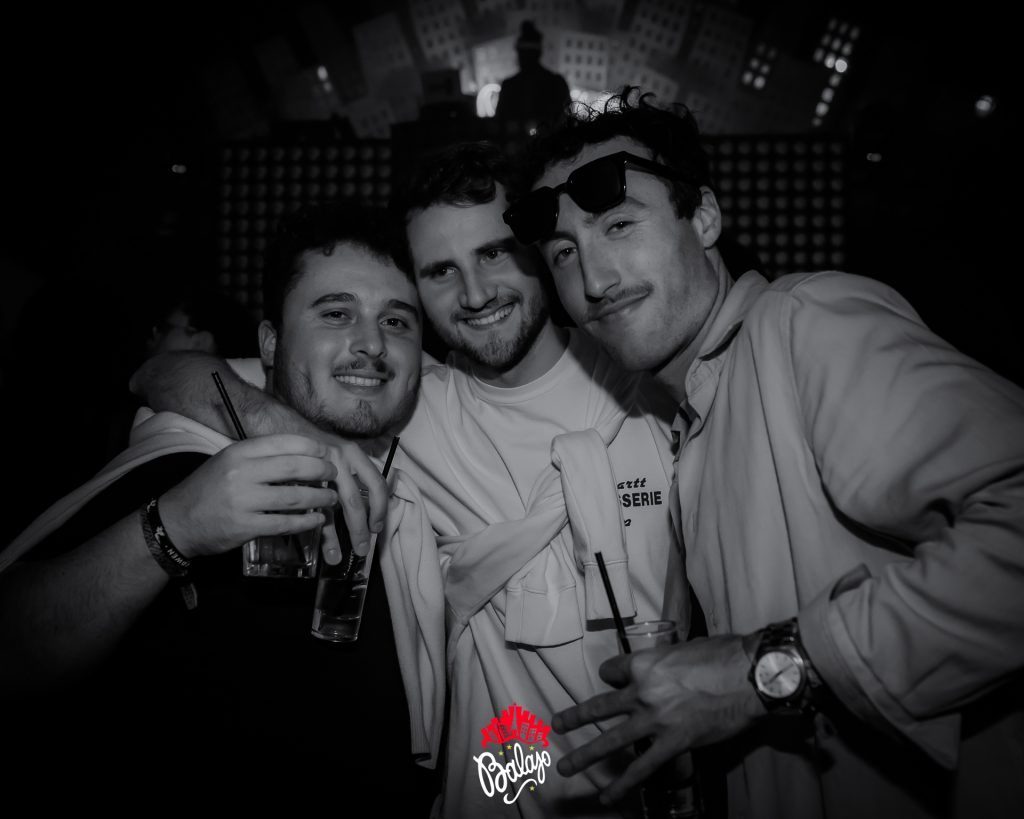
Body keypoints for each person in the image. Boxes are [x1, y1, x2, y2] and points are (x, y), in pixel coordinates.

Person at [500, 87, 1024, 818]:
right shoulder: (691, 418)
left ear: (704, 218)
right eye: (564, 253)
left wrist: (769, 670)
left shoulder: (807, 324)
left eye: (619, 224)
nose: (594, 280)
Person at [129, 141, 684, 818]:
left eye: (494, 254)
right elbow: (166, 374)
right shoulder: (410, 404)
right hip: (500, 782)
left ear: (539, 248)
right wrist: (297, 433)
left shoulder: (650, 391)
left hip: (665, 779)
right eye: (440, 271)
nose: (475, 294)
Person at [0, 202, 444, 811]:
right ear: (270, 343)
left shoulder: (433, 452)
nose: (371, 343)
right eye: (336, 313)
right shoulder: (186, 464)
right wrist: (174, 527)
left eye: (396, 321)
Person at [494, 20, 572, 136]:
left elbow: (499, 124)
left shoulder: (509, 85)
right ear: (539, 53)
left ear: (519, 53)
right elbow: (568, 120)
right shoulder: (557, 82)